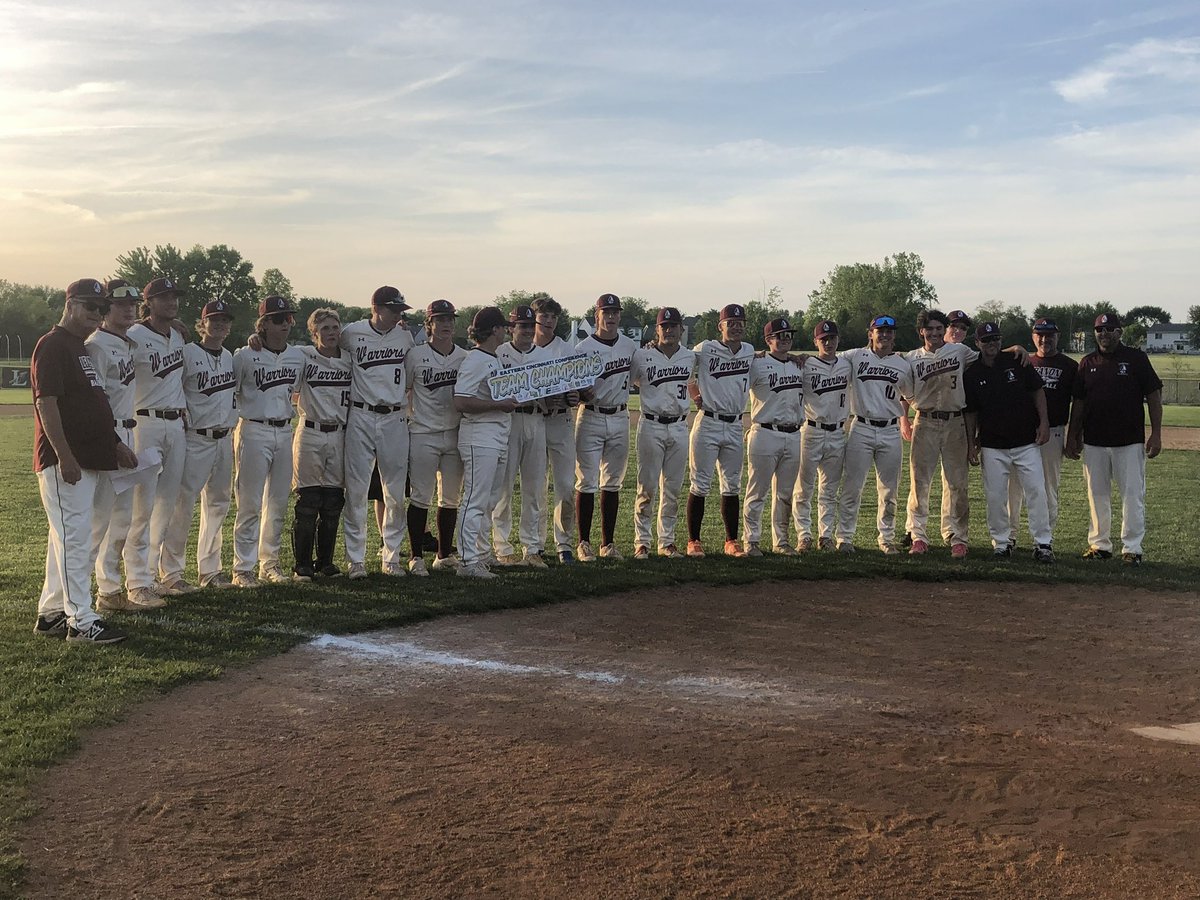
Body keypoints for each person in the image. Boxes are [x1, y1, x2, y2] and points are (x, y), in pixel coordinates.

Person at [31, 278, 135, 644]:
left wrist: (114, 442)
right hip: (67, 460)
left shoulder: (79, 347)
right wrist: (64, 455)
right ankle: (81, 620)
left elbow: (93, 404)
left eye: (101, 308)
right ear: (71, 304)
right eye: (90, 306)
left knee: (66, 538)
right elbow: (47, 403)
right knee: (74, 539)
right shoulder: (53, 345)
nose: (97, 314)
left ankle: (51, 612)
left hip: (90, 455)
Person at [87, 279, 163, 612]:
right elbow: (94, 402)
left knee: (121, 519)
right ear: (105, 309)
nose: (129, 308)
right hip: (111, 436)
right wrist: (115, 442)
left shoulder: (128, 342)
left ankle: (111, 592)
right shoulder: (97, 345)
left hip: (129, 431)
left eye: (133, 303)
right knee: (99, 521)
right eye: (121, 304)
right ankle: (97, 593)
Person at [1066, 313, 1163, 565]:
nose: (1104, 333)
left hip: (1129, 440)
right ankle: (1100, 545)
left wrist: (1157, 432)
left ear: (1119, 332)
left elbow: (1153, 395)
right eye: (1099, 329)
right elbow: (1079, 402)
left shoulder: (1136, 359)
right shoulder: (1087, 362)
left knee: (1132, 495)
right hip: (1094, 441)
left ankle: (1132, 548)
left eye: (1109, 329)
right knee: (1097, 495)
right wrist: (1073, 436)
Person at [160, 299, 237, 592]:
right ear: (202, 324)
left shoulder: (231, 356)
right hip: (196, 437)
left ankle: (210, 570)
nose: (219, 325)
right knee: (183, 506)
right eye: (213, 320)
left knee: (218, 505)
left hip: (225, 438)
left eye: (224, 320)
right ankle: (172, 573)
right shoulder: (188, 353)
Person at [340, 287, 415, 579]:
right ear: (376, 307)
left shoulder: (404, 336)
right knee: (356, 491)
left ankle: (391, 557)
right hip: (360, 413)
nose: (399, 315)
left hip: (395, 417)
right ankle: (355, 560)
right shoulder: (351, 333)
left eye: (400, 311)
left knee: (395, 492)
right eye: (394, 309)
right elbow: (326, 347)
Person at [963, 322, 1054, 562]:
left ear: (1001, 340)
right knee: (995, 496)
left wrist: (1044, 423)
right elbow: (971, 412)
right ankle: (1001, 543)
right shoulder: (972, 373)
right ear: (977, 343)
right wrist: (972, 442)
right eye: (986, 340)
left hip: (1026, 441)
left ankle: (1043, 543)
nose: (991, 344)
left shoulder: (1017, 361)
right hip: (993, 444)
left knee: (1036, 490)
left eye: (995, 339)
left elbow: (1038, 391)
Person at [123, 277, 188, 604]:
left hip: (175, 425)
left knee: (167, 504)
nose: (171, 302)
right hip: (144, 423)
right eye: (163, 297)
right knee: (141, 507)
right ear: (148, 303)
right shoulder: (133, 335)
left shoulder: (177, 334)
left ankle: (160, 575)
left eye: (174, 297)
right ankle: (136, 582)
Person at [231, 296, 304, 586]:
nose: (285, 324)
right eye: (278, 319)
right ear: (263, 324)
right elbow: (231, 392)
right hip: (253, 428)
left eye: (288, 318)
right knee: (249, 503)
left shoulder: (298, 355)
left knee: (277, 501)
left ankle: (269, 563)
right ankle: (242, 568)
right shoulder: (245, 355)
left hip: (285, 430)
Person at [835, 314, 914, 555]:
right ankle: (844, 537)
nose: (886, 335)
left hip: (890, 430)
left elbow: (909, 395)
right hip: (862, 427)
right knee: (852, 487)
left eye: (890, 331)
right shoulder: (854, 356)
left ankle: (886, 538)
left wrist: (905, 422)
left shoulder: (901, 363)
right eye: (880, 330)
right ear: (870, 333)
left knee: (889, 490)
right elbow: (826, 361)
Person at [453, 308, 517, 578]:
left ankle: (479, 555)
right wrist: (497, 405)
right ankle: (467, 561)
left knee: (489, 500)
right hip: (480, 434)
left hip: (496, 434)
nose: (505, 331)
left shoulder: (492, 358)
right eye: (503, 327)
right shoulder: (476, 359)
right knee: (474, 499)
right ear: (494, 330)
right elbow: (461, 400)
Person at [686, 303, 754, 558]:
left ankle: (731, 541)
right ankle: (693, 541)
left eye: (739, 323)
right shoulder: (705, 349)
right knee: (700, 483)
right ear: (721, 326)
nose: (735, 327)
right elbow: (682, 365)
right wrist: (695, 394)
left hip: (736, 424)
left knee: (732, 484)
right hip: (709, 422)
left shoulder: (748, 351)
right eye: (730, 323)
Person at [405, 299, 467, 574]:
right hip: (423, 432)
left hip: (454, 432)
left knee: (450, 497)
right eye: (439, 319)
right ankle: (416, 556)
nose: (445, 324)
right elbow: (404, 390)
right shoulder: (416, 355)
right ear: (428, 324)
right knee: (420, 496)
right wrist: (410, 418)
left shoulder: (464, 357)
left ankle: (443, 554)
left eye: (449, 319)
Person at [574, 293, 637, 561]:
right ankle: (584, 543)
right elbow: (573, 388)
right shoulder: (583, 349)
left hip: (620, 415)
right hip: (590, 415)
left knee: (612, 482)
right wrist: (580, 393)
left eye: (614, 312)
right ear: (596, 315)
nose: (610, 317)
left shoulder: (630, 346)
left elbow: (633, 379)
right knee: (586, 481)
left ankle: (607, 543)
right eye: (606, 312)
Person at [1005, 317, 1078, 548]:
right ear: (1033, 336)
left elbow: (1079, 403)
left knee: (1047, 487)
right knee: (1013, 487)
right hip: (1021, 433)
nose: (1044, 339)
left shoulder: (1069, 366)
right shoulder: (1022, 360)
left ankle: (1044, 540)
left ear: (1058, 337)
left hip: (1053, 432)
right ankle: (1009, 536)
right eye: (1040, 335)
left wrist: (1075, 435)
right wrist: (1014, 348)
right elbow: (988, 351)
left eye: (1049, 335)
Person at [291, 308, 351, 581]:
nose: (331, 333)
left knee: (333, 500)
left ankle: (325, 562)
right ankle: (302, 564)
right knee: (308, 499)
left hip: (339, 432)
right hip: (311, 429)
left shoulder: (349, 359)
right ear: (314, 333)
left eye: (335, 327)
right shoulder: (303, 356)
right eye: (325, 328)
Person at [630, 307, 695, 559]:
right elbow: (632, 381)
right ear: (656, 330)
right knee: (646, 487)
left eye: (673, 326)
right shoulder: (642, 356)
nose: (669, 330)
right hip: (651, 424)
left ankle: (666, 541)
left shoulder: (690, 357)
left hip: (679, 426)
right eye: (664, 326)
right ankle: (642, 542)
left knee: (673, 488)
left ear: (681, 329)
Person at [493, 305, 552, 567]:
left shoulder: (544, 355)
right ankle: (502, 547)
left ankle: (532, 547)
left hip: (536, 419)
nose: (527, 330)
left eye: (530, 326)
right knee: (503, 487)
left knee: (535, 486)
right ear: (511, 328)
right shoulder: (499, 353)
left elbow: (552, 392)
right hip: (509, 421)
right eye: (522, 326)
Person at [742, 317, 804, 556]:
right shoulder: (756, 364)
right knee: (757, 492)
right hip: (765, 432)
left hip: (794, 433)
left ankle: (781, 541)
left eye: (789, 335)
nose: (785, 339)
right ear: (768, 340)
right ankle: (752, 541)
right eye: (780, 336)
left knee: (785, 493)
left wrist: (803, 357)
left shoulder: (800, 364)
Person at [793, 320, 851, 552]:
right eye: (823, 339)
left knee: (829, 490)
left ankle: (826, 536)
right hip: (811, 431)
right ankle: (804, 535)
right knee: (803, 488)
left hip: (837, 432)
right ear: (815, 341)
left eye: (832, 338)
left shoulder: (847, 364)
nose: (828, 342)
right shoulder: (806, 364)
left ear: (838, 340)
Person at [531, 296, 580, 564]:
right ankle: (536, 544)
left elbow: (578, 388)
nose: (548, 321)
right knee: (536, 484)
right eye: (544, 316)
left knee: (564, 484)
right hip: (538, 418)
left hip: (561, 420)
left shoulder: (566, 349)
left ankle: (564, 544)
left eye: (553, 317)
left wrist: (575, 397)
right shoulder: (527, 349)